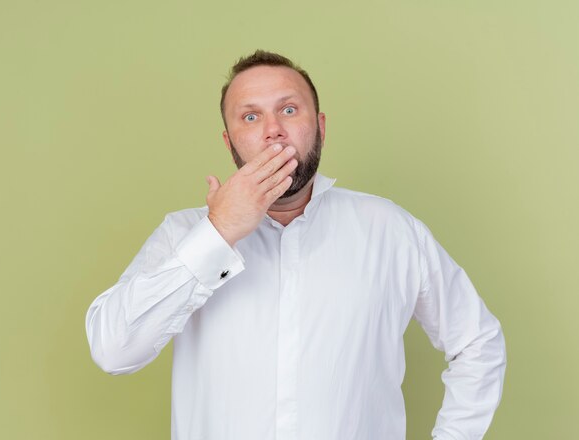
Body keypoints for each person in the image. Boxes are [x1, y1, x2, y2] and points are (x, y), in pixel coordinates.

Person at [85, 50, 506, 440]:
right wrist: (218, 233)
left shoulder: (390, 230)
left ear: (319, 127)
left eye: (289, 110)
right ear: (229, 142)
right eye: (250, 118)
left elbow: (477, 342)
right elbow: (114, 350)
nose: (273, 132)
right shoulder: (183, 234)